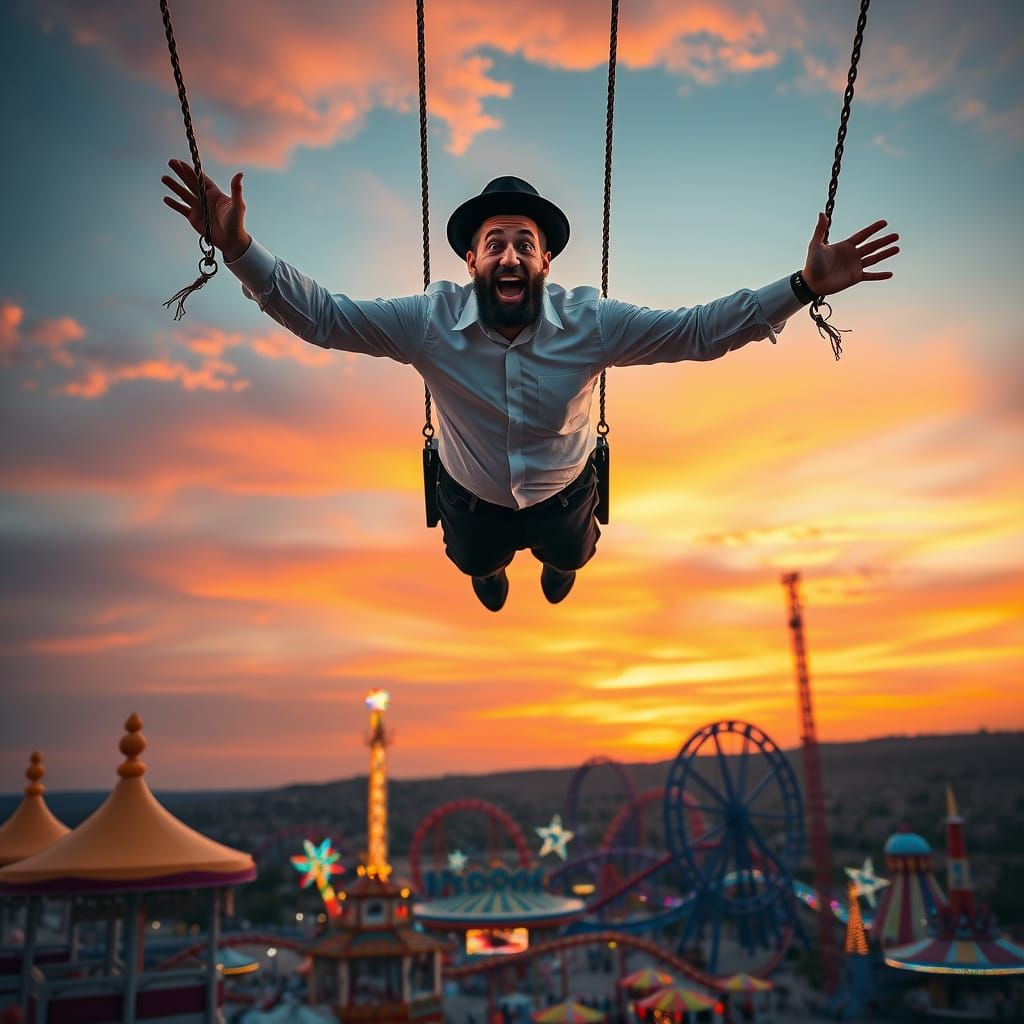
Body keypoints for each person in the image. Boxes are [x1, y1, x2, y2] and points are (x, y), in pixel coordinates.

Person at [162, 163, 898, 611]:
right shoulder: (428, 322)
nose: (509, 253)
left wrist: (803, 286)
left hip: (563, 494)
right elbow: (324, 318)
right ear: (473, 264)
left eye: (524, 243)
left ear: (545, 263)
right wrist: (240, 251)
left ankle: (553, 561)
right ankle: (487, 571)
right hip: (470, 496)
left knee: (571, 557)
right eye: (494, 244)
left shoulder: (591, 323)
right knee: (476, 561)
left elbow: (701, 332)